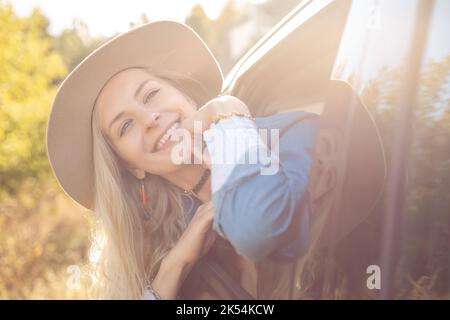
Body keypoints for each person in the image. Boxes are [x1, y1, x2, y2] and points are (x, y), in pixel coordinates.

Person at [46, 21, 386, 300]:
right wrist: (173, 268)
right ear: (133, 166)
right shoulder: (171, 233)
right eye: (126, 125)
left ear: (185, 95)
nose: (149, 118)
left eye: (151, 94)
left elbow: (256, 229)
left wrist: (229, 112)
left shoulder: (293, 135)